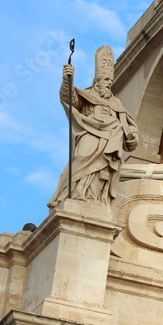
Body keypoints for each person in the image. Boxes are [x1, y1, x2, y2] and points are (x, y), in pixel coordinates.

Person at [49, 46, 139, 208]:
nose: (109, 84)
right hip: (90, 134)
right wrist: (67, 80)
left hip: (110, 140)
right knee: (80, 160)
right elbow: (69, 99)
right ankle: (72, 194)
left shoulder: (116, 103)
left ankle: (95, 198)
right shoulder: (87, 95)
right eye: (106, 80)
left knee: (103, 170)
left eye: (110, 81)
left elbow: (129, 126)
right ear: (97, 80)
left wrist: (133, 136)